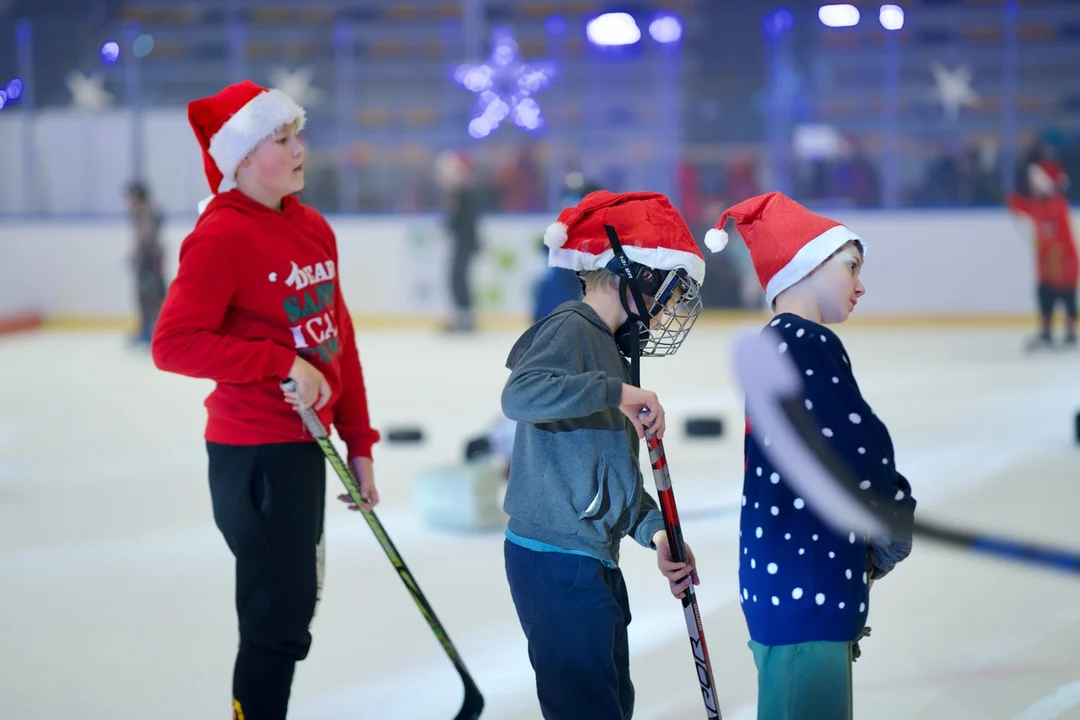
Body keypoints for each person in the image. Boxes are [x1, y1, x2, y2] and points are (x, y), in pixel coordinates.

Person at [150, 80, 381, 720]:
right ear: (243, 157)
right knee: (276, 619)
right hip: (253, 452)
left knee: (293, 607)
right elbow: (172, 344)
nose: (301, 148)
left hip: (307, 445)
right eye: (283, 138)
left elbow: (339, 343)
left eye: (297, 133)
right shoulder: (220, 236)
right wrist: (279, 361)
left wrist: (359, 442)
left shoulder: (311, 227)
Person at [500, 190, 723, 719]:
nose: (671, 307)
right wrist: (615, 392)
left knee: (611, 703)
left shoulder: (613, 349)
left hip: (591, 560)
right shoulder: (572, 327)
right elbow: (520, 395)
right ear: (636, 276)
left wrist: (656, 532)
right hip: (555, 562)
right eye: (669, 291)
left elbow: (610, 477)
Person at [707, 191, 916, 720]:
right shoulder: (806, 342)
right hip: (810, 591)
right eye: (850, 267)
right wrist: (895, 517)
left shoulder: (775, 344)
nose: (860, 284)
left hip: (783, 586)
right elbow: (860, 447)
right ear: (806, 266)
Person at [1006, 159, 1078, 350]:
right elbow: (1029, 209)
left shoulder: (1056, 205)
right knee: (1044, 295)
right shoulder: (1041, 205)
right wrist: (1015, 203)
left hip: (1063, 263)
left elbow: (1055, 235)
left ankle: (1070, 333)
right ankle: (1046, 332)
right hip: (1048, 263)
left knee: (1067, 296)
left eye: (1035, 183)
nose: (1032, 187)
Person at [434, 150, 482, 332]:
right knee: (456, 278)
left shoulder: (463, 193)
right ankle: (462, 316)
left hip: (466, 242)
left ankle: (465, 318)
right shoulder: (459, 193)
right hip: (463, 241)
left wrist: (447, 226)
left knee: (459, 278)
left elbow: (461, 219)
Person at [125, 180, 166, 347]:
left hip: (149, 258)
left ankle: (152, 330)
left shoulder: (144, 211)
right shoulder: (149, 209)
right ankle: (147, 329)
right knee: (147, 295)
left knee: (150, 295)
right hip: (152, 257)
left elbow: (145, 236)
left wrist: (137, 255)